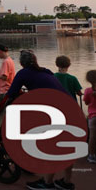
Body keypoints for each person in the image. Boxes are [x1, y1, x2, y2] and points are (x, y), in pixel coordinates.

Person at [6, 50, 72, 190]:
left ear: (21, 63)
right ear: (35, 60)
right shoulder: (46, 71)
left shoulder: (23, 73)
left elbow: (11, 93)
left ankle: (47, 184)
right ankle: (66, 182)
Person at [84, 70, 96, 164]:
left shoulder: (88, 91)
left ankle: (91, 156)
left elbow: (87, 102)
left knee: (92, 137)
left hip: (93, 116)